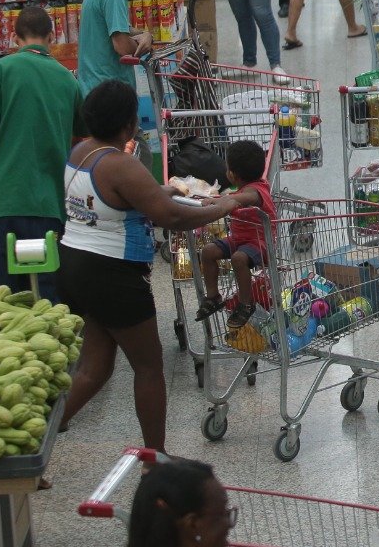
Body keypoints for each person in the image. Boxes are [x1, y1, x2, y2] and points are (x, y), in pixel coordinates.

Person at [59, 81, 241, 453]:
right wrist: (225, 205)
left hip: (76, 263)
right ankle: (154, 458)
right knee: (148, 366)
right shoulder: (120, 164)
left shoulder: (81, 152)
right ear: (128, 124)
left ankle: (40, 438)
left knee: (95, 369)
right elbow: (170, 217)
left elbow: (122, 199)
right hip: (113, 274)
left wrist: (164, 191)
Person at [0, 5, 81, 300]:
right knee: (46, 303)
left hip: (2, 205)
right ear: (51, 36)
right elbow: (80, 137)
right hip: (48, 207)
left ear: (14, 37)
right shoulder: (67, 79)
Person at [192, 139, 274, 329]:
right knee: (208, 251)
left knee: (238, 258)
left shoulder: (257, 189)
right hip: (239, 239)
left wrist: (226, 202)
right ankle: (213, 297)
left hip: (260, 242)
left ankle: (246, 304)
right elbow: (233, 198)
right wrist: (216, 200)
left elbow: (248, 198)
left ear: (232, 174)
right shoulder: (240, 190)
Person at [78, 0, 150, 93]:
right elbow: (122, 46)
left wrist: (143, 34)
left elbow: (114, 26)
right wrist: (144, 45)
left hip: (93, 87)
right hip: (109, 93)